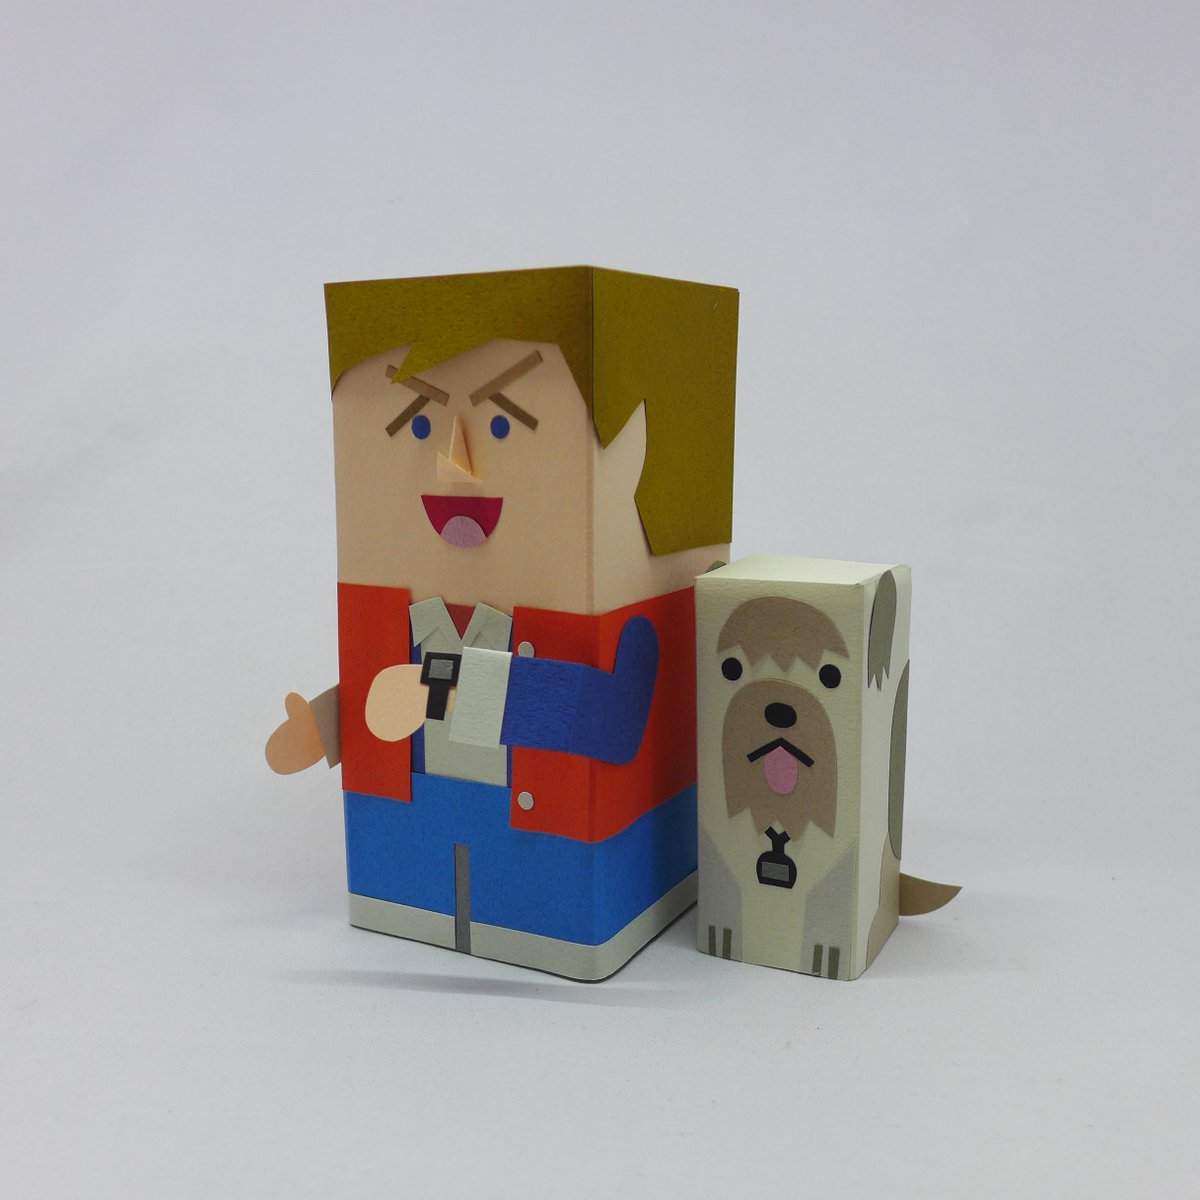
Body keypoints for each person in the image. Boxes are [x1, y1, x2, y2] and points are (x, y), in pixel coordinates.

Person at [265, 266, 737, 979]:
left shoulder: (635, 617)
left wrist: (442, 689)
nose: (455, 466)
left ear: (634, 452)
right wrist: (327, 726)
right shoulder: (402, 612)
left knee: (524, 903)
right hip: (419, 821)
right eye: (417, 423)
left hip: (542, 840)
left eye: (500, 424)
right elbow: (378, 696)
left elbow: (610, 721)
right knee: (431, 893)